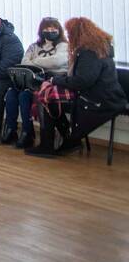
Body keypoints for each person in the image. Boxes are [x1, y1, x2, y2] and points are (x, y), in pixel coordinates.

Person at [23, 17, 125, 157]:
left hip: (99, 99)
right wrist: (56, 81)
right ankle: (68, 139)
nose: (69, 37)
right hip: (101, 95)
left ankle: (54, 144)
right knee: (49, 97)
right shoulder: (97, 49)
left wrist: (54, 80)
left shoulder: (90, 53)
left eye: (70, 33)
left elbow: (82, 81)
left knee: (45, 98)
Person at [2, 17, 68, 147]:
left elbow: (57, 61)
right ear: (41, 30)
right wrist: (41, 63)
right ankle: (11, 129)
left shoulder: (64, 45)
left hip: (53, 80)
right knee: (11, 94)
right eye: (47, 28)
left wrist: (35, 61)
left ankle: (28, 132)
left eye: (54, 28)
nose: (50, 31)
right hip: (33, 79)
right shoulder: (34, 46)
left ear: (59, 30)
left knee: (24, 95)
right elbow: (24, 62)